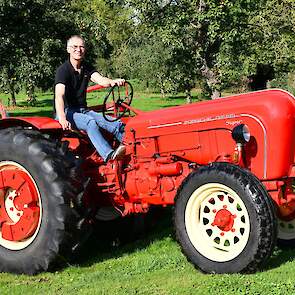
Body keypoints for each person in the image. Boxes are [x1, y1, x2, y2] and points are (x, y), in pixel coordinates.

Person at [54, 35, 126, 162]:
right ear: (68, 49)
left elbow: (101, 80)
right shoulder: (63, 70)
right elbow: (59, 95)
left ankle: (130, 147)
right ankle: (109, 155)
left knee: (115, 123)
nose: (79, 49)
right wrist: (62, 118)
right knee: (90, 123)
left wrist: (113, 81)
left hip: (82, 110)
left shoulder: (86, 67)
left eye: (81, 47)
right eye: (75, 47)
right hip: (67, 111)